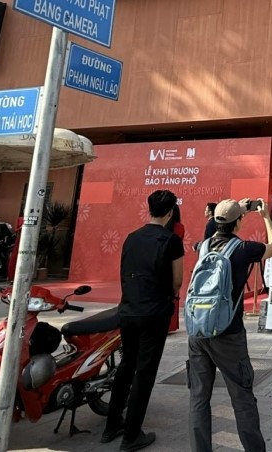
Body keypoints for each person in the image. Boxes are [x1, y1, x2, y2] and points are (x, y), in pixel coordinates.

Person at [188, 198, 272, 452]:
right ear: (238, 221)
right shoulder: (243, 249)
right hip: (228, 333)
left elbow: (212, 231)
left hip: (198, 329)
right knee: (242, 396)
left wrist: (231, 212)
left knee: (198, 397)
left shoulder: (202, 247)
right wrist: (265, 216)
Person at [106, 190, 185, 450]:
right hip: (154, 313)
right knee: (144, 373)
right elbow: (177, 281)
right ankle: (131, 436)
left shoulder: (132, 237)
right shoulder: (171, 241)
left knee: (126, 366)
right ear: (170, 212)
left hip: (128, 311)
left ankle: (111, 425)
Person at [168, 204, 186, 334]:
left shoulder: (163, 227)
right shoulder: (180, 227)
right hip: (175, 262)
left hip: (163, 262)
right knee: (173, 295)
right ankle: (171, 325)